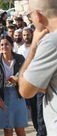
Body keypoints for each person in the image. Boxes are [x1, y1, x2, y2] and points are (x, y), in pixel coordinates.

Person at [18, 0, 57, 135]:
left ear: (38, 15)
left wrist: (33, 47)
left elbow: (25, 90)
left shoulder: (51, 42)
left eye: (30, 15)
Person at [0, 35, 28, 136]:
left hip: (18, 95)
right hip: (3, 96)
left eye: (6, 44)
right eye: (1, 45)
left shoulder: (20, 58)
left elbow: (26, 75)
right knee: (7, 129)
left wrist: (17, 80)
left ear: (12, 45)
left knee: (20, 128)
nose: (4, 46)